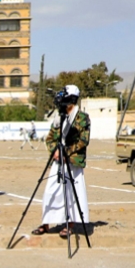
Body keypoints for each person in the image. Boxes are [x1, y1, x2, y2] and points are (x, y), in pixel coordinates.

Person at [31, 85, 91, 238]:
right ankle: (46, 223)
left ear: (72, 99)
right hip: (58, 161)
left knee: (72, 194)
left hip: (73, 162)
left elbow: (83, 141)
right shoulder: (59, 116)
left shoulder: (82, 118)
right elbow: (50, 138)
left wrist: (66, 152)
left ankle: (69, 225)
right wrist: (55, 151)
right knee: (50, 192)